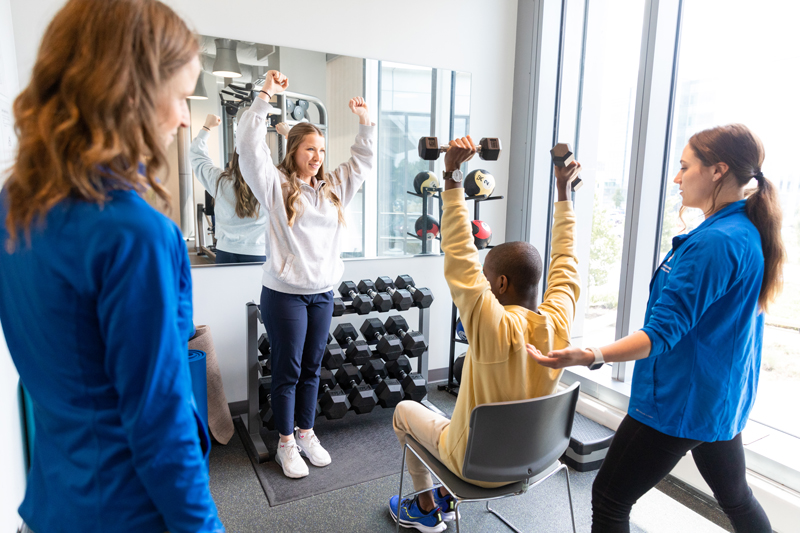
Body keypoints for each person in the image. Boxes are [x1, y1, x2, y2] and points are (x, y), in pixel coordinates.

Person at [0, 1, 224, 532]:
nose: (184, 117)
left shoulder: (14, 204)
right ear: (132, 94)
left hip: (52, 505)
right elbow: (161, 427)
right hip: (128, 514)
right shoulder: (136, 234)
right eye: (180, 96)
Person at [528, 124, 782, 533]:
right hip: (716, 398)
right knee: (737, 499)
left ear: (717, 171)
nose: (678, 177)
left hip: (679, 403)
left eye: (685, 167)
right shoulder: (739, 231)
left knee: (610, 498)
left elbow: (661, 334)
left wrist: (590, 354)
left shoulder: (716, 243)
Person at [388, 136, 582, 532]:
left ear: (502, 284)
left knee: (406, 412)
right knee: (446, 414)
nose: (485, 283)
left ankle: (426, 507)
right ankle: (439, 495)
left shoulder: (492, 326)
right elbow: (566, 262)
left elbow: (460, 256)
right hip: (537, 459)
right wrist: (564, 195)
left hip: (475, 467)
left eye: (489, 279)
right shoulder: (558, 321)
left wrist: (452, 177)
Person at [236, 71, 375, 479]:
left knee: (314, 367)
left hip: (323, 292)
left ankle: (306, 432)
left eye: (321, 150)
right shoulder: (275, 186)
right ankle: (284, 443)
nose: (317, 156)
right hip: (285, 294)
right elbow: (248, 146)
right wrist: (264, 96)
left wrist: (366, 123)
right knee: (289, 370)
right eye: (309, 149)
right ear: (294, 150)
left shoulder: (333, 189)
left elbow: (362, 162)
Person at [190, 114, 268, 264]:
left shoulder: (220, 180)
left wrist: (207, 127)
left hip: (226, 252)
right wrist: (288, 135)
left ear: (236, 156)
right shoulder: (271, 183)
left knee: (226, 288)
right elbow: (297, 169)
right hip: (258, 253)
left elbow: (197, 156)